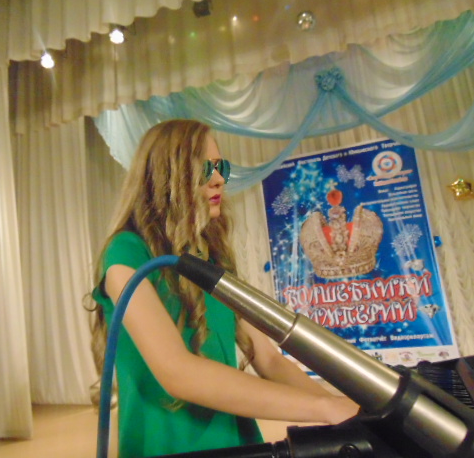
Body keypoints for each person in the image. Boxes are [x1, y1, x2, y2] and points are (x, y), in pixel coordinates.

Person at [91, 119, 359, 457]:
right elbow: (177, 372)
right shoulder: (126, 252)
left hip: (236, 442)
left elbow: (268, 360)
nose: (219, 179)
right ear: (168, 176)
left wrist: (346, 412)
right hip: (167, 446)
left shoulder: (209, 258)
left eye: (221, 168)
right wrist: (324, 408)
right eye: (206, 169)